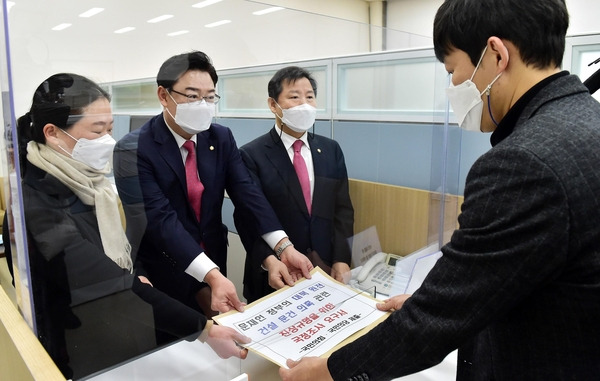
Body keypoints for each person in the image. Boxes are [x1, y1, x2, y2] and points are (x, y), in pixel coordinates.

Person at [279, 0, 600, 380]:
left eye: (452, 70)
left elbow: (432, 324)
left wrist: (328, 372)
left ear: (496, 54)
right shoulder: (585, 121)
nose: (453, 86)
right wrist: (441, 298)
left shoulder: (523, 163)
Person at [18, 73, 250, 379]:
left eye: (110, 129)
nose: (108, 140)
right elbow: (106, 280)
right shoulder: (36, 203)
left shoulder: (92, 184)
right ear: (53, 132)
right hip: (80, 343)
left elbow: (124, 247)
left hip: (122, 325)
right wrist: (205, 330)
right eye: (97, 130)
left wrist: (138, 271)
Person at [113, 51, 313, 320]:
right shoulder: (134, 148)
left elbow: (247, 193)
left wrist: (284, 248)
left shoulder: (220, 137)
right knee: (173, 344)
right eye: (192, 96)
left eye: (209, 97)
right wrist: (211, 275)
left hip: (213, 260)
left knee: (219, 336)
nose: (203, 105)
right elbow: (160, 220)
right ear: (163, 96)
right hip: (162, 268)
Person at [233, 66, 354, 302]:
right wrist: (270, 260)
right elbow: (247, 218)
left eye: (310, 97)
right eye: (294, 97)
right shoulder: (251, 155)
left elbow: (343, 210)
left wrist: (342, 258)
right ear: (273, 105)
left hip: (324, 270)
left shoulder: (330, 150)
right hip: (274, 275)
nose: (304, 104)